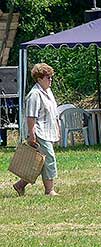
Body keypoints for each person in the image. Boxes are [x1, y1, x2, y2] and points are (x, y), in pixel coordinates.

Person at [13, 63, 60, 196]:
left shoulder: (48, 92)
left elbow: (54, 114)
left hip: (48, 131)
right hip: (39, 132)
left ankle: (20, 185)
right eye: (47, 77)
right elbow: (31, 117)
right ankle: (49, 190)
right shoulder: (34, 94)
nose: (50, 80)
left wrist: (57, 130)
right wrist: (32, 136)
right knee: (49, 159)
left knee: (39, 162)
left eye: (51, 77)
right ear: (39, 78)